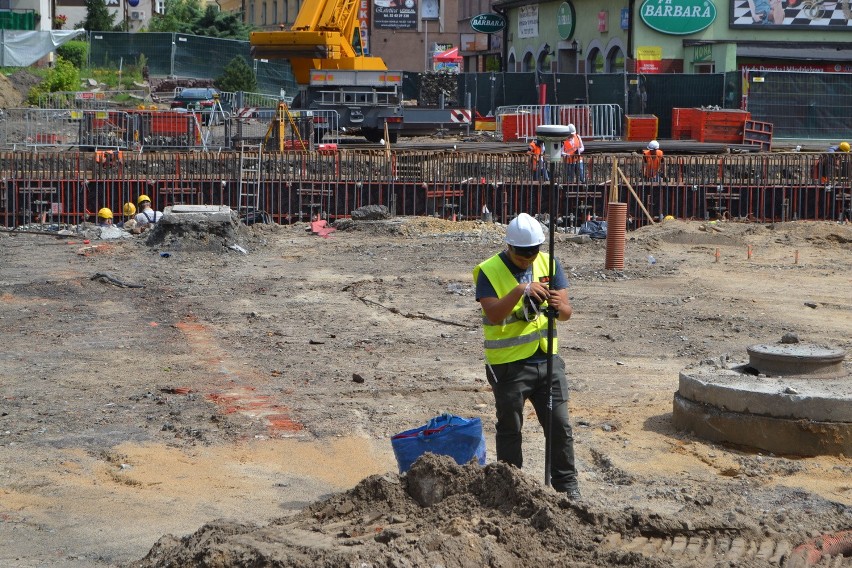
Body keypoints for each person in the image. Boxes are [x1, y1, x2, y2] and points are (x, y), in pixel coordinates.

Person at [473, 213, 580, 499]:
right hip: (508, 366)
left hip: (547, 360)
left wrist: (560, 306)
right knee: (510, 427)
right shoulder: (489, 270)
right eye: (522, 257)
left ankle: (568, 488)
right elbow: (494, 315)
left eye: (533, 254)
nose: (528, 261)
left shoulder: (549, 262)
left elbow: (567, 313)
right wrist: (521, 290)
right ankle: (511, 488)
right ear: (510, 247)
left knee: (559, 426)